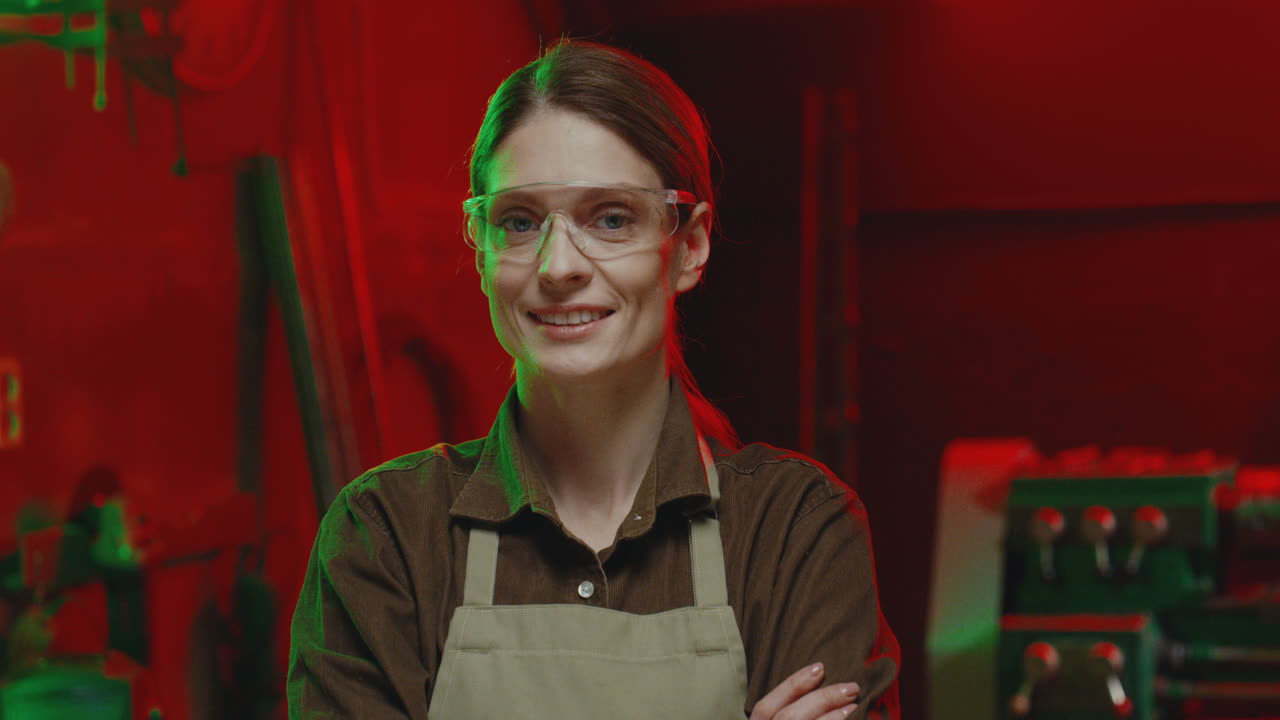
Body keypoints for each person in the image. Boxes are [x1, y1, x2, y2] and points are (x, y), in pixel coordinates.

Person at [287, 39, 900, 720]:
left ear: (689, 246)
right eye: (519, 221)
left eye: (610, 218)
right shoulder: (388, 536)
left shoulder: (794, 532)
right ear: (481, 248)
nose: (557, 266)